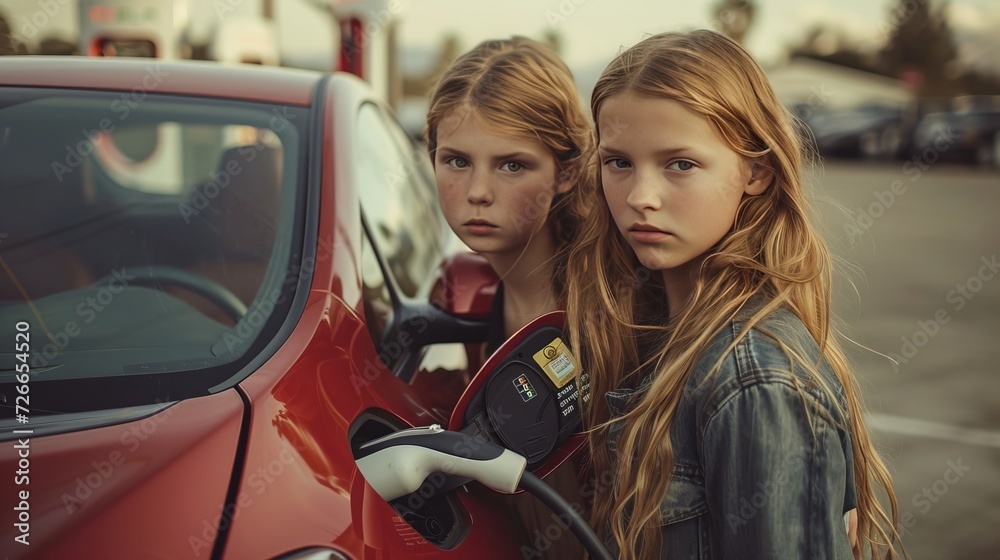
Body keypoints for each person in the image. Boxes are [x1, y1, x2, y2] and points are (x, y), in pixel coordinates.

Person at [564, 30, 904, 560]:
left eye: (681, 164)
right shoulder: (651, 332)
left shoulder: (756, 382)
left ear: (757, 171)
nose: (640, 197)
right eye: (618, 162)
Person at [425, 37, 593, 558]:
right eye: (455, 160)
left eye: (512, 165)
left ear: (566, 172)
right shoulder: (486, 298)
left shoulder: (606, 308)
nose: (478, 190)